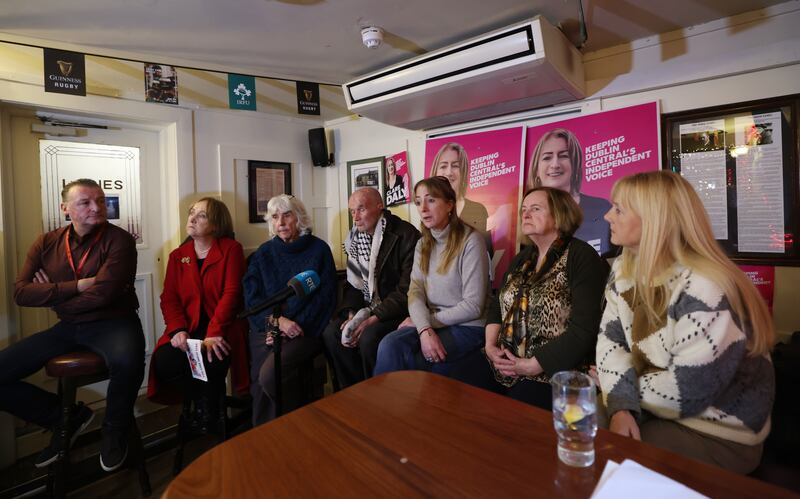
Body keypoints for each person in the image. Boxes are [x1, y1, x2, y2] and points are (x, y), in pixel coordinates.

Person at [596, 171, 775, 474]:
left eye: (619, 208)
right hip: (658, 406)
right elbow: (610, 344)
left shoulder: (705, 287)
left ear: (654, 220)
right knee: (587, 425)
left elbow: (687, 390)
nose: (607, 215)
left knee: (616, 455)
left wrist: (620, 393)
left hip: (719, 432)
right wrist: (620, 402)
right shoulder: (625, 270)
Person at [4, 179, 144, 472]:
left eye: (101, 201)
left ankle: (114, 430)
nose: (97, 207)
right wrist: (76, 286)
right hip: (69, 327)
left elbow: (105, 292)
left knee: (128, 362)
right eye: (85, 202)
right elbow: (20, 292)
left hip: (114, 321)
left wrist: (53, 296)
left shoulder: (120, 239)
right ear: (64, 208)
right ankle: (63, 418)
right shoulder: (46, 242)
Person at [452, 187, 608, 409]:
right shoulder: (523, 258)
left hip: (556, 367)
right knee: (458, 380)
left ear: (560, 214)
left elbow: (585, 328)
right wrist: (490, 346)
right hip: (507, 357)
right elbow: (498, 305)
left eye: (535, 209)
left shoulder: (581, 256)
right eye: (524, 209)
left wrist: (535, 364)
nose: (525, 214)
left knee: (518, 407)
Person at [147, 198, 249, 429]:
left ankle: (207, 409)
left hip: (222, 325)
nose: (192, 218)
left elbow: (232, 293)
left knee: (212, 357)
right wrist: (177, 330)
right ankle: (203, 400)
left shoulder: (231, 249)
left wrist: (214, 333)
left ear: (215, 224)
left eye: (201, 215)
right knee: (165, 363)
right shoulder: (177, 255)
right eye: (192, 212)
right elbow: (169, 297)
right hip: (188, 326)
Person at [374, 176, 488, 376]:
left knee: (416, 360)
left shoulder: (471, 241)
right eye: (418, 202)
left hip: (468, 326)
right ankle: (384, 406)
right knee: (388, 345)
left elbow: (473, 306)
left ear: (449, 205)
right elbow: (414, 292)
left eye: (431, 200)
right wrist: (424, 328)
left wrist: (425, 324)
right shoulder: (422, 244)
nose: (423, 208)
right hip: (433, 321)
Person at [243, 194, 336, 425]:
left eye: (287, 215)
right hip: (267, 326)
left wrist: (293, 326)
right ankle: (266, 436)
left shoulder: (319, 250)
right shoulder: (263, 253)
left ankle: (293, 425)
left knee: (269, 375)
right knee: (258, 381)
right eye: (275, 217)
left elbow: (324, 301)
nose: (281, 222)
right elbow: (252, 300)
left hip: (304, 329)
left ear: (300, 218)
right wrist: (276, 323)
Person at [322, 188, 419, 389]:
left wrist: (373, 318)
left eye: (361, 209)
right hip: (368, 308)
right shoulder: (355, 239)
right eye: (352, 211)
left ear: (379, 206)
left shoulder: (406, 235)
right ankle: (353, 392)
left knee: (368, 337)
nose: (355, 217)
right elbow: (354, 286)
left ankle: (376, 394)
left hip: (397, 311)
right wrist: (351, 313)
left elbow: (406, 291)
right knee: (332, 333)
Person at [526, 128, 613, 256]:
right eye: (547, 157)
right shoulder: (527, 218)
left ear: (575, 164)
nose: (555, 164)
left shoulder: (601, 209)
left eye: (563, 156)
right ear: (536, 169)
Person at [429, 142, 488, 232]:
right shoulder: (427, 210)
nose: (449, 172)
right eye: (443, 166)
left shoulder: (478, 210)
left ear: (463, 172)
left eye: (455, 166)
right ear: (435, 172)